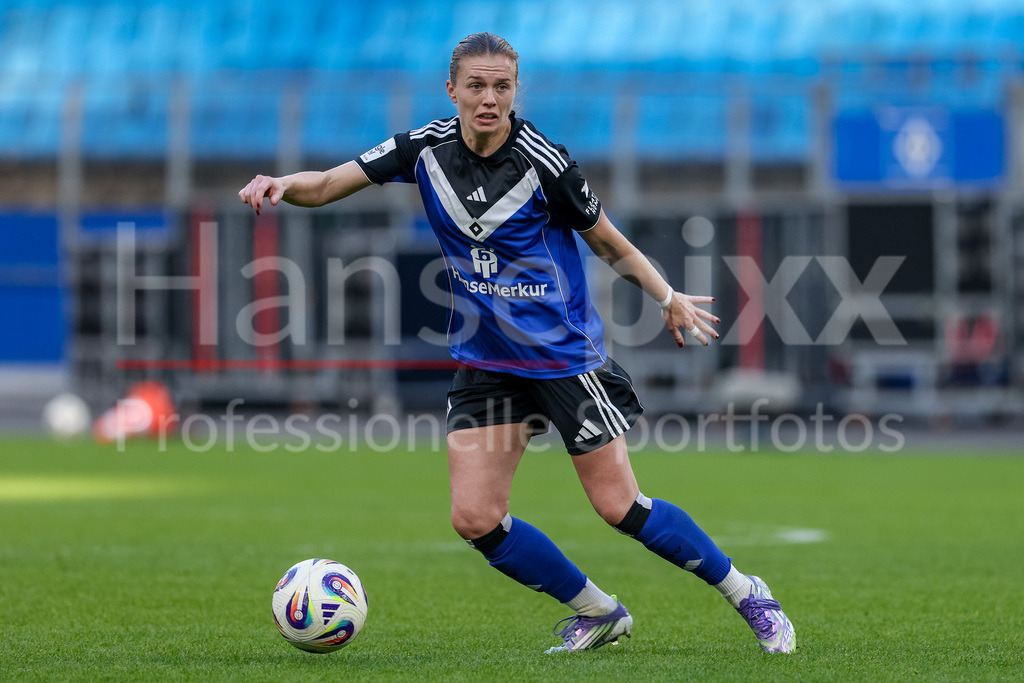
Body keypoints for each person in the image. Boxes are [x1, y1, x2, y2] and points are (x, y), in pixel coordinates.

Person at [239, 32, 795, 655]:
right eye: (476, 85)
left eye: (501, 86)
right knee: (474, 518)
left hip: (563, 360)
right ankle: (599, 611)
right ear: (452, 90)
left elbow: (610, 242)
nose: (488, 99)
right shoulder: (424, 148)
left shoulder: (544, 164)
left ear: (514, 92)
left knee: (620, 508)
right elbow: (334, 181)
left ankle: (748, 593)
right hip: (485, 361)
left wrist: (669, 298)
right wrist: (285, 183)